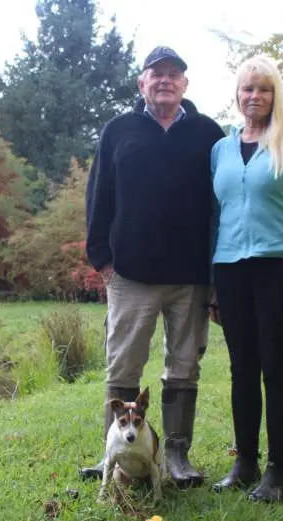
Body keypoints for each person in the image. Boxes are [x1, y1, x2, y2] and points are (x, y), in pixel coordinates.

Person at [81, 45, 225, 488]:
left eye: (173, 74)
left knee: (184, 367)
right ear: (141, 83)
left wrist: (217, 275)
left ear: (185, 84)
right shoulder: (118, 131)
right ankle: (118, 455)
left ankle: (176, 454)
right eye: (155, 73)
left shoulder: (209, 134)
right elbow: (98, 196)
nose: (165, 80)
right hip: (130, 275)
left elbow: (223, 204)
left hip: (191, 277)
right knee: (122, 366)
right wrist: (102, 260)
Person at [209, 56, 283, 503]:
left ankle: (278, 472)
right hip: (231, 269)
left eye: (262, 88)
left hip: (280, 268)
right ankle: (245, 463)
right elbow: (215, 218)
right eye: (246, 89)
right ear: (237, 96)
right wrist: (214, 285)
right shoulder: (220, 149)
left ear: (274, 94)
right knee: (243, 369)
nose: (254, 96)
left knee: (276, 369)